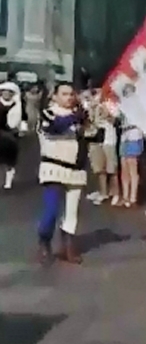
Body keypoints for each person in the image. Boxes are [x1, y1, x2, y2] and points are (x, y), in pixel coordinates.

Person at [36, 82, 94, 264]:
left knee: (72, 212)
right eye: (64, 94)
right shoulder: (48, 113)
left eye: (71, 94)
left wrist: (93, 121)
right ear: (55, 96)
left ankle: (68, 248)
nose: (68, 97)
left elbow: (92, 136)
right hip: (53, 167)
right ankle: (44, 241)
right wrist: (76, 117)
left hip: (75, 169)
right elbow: (54, 127)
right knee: (51, 210)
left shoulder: (79, 116)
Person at [0, 81, 22, 189]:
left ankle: (8, 181)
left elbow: (21, 118)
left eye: (9, 92)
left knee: (9, 160)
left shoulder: (17, 105)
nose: (6, 94)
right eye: (4, 92)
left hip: (10, 135)